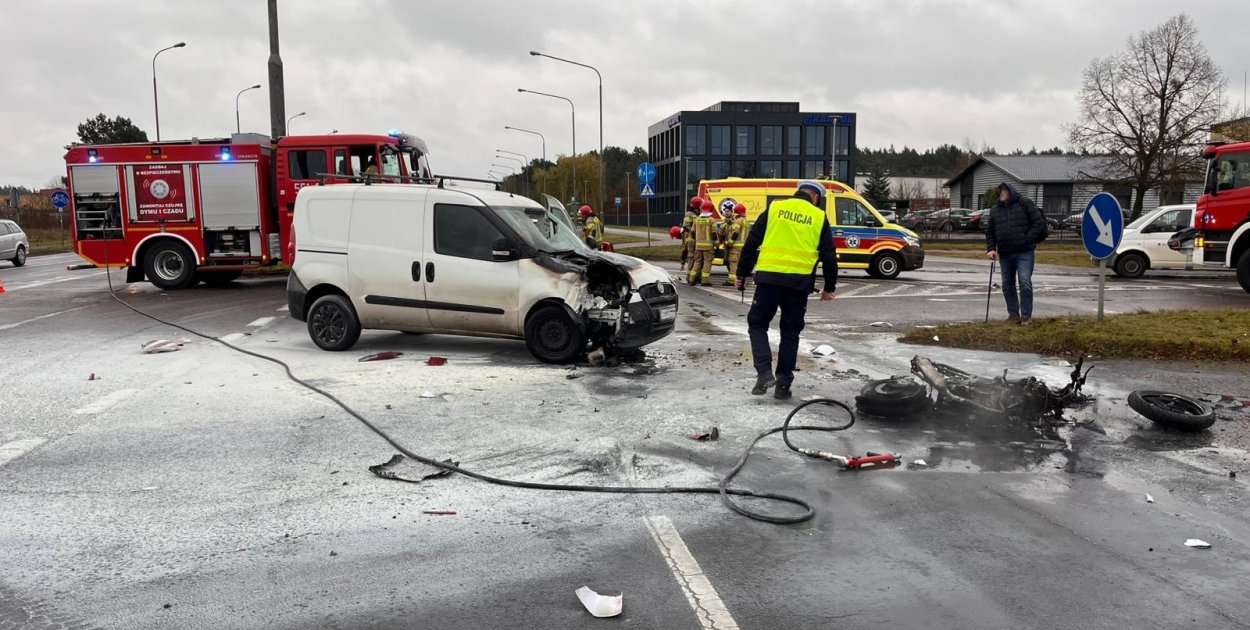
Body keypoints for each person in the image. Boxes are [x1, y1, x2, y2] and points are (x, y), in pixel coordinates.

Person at [735, 180, 838, 399]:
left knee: (757, 324)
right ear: (816, 197)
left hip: (768, 280)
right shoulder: (819, 216)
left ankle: (764, 373)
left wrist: (741, 274)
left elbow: (751, 242)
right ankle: (783, 386)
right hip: (798, 284)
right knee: (790, 333)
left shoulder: (775, 208)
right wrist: (829, 287)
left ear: (798, 191)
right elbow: (829, 254)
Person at [985, 182, 1046, 325]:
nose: (1001, 194)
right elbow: (990, 232)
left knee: (1024, 282)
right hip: (1005, 253)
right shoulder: (995, 210)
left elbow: (1038, 223)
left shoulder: (1025, 203)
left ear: (1010, 192)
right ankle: (1013, 315)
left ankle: (1026, 316)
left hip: (1025, 252)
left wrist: (1027, 239)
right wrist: (991, 248)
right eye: (1000, 192)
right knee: (1007, 285)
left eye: (1004, 191)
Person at [688, 200, 716, 285]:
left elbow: (692, 232)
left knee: (697, 262)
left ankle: (691, 280)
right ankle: (705, 281)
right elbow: (714, 233)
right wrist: (716, 242)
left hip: (698, 246)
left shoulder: (697, 219)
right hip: (708, 246)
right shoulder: (711, 220)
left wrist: (696, 241)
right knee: (707, 262)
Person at [722, 202, 747, 286]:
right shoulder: (746, 221)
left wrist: (730, 242)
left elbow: (735, 232)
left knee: (733, 263)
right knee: (740, 264)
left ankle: (732, 280)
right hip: (743, 246)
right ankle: (741, 280)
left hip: (736, 247)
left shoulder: (738, 221)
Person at [680, 197, 702, 271]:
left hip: (696, 236)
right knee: (690, 254)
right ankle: (688, 270)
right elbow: (685, 226)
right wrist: (694, 232)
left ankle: (695, 271)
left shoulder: (698, 213)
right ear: (697, 205)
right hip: (689, 236)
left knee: (697, 255)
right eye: (700, 204)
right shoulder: (689, 214)